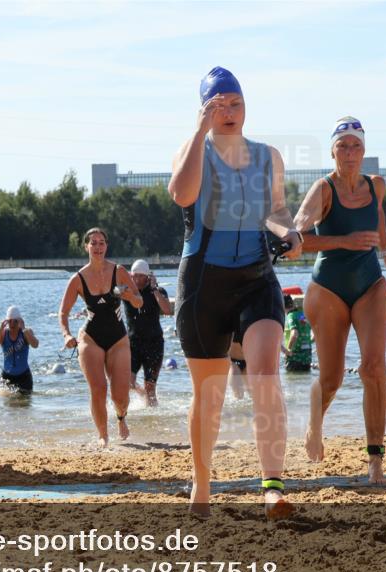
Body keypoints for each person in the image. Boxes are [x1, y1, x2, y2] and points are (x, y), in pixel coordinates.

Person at [167, 66, 302, 518]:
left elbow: (278, 211)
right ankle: (202, 485)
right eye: (217, 105)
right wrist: (198, 131)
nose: (228, 112)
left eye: (236, 103)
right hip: (203, 285)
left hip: (257, 280)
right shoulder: (193, 152)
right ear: (204, 110)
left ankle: (273, 487)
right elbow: (182, 194)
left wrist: (291, 232)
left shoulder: (269, 156)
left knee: (265, 374)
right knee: (210, 394)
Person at [293, 116, 386, 484]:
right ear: (333, 151)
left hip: (370, 283)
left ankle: (375, 459)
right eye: (343, 146)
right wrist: (343, 241)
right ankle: (314, 423)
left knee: (374, 368)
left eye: (356, 145)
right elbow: (297, 238)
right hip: (328, 289)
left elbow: (379, 219)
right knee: (332, 378)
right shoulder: (323, 189)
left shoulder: (377, 186)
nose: (350, 152)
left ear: (364, 150)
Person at [59, 228, 143, 447]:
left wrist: (129, 296)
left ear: (107, 246)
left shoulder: (119, 271)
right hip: (91, 338)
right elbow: (63, 312)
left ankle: (121, 417)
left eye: (102, 243)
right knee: (98, 389)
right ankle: (103, 436)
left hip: (118, 339)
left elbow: (139, 301)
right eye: (93, 243)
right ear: (86, 246)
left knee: (120, 396)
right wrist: (67, 334)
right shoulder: (78, 278)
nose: (98, 247)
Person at [124, 259, 172, 407]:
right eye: (134, 276)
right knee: (127, 382)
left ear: (147, 277)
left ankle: (153, 422)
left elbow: (167, 310)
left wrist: (154, 288)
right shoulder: (127, 291)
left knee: (151, 390)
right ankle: (142, 394)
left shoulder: (157, 291)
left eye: (140, 276)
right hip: (133, 344)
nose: (137, 279)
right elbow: (111, 291)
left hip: (154, 344)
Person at [0, 305, 39, 394]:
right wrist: (0, 329)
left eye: (15, 321)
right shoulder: (3, 333)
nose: (12, 324)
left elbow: (35, 345)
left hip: (24, 376)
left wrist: (24, 329)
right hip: (7, 377)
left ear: (19, 321)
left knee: (24, 405)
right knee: (7, 406)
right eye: (9, 321)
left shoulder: (26, 332)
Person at [282, 295, 312, 373]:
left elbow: (294, 334)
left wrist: (287, 351)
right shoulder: (302, 315)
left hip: (294, 359)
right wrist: (309, 342)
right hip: (307, 358)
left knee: (291, 382)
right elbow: (316, 334)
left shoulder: (290, 316)